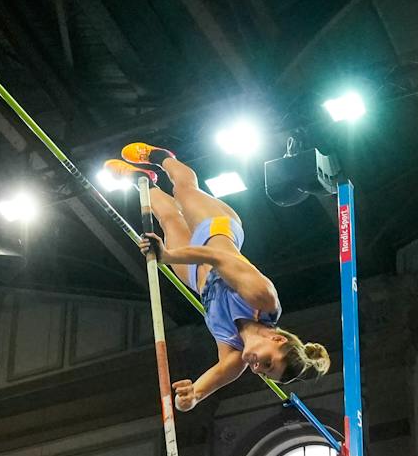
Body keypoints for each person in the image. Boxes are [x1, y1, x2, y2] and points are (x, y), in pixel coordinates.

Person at [117, 144, 329, 409]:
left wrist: (189, 398)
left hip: (198, 278)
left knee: (169, 219)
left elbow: (199, 392)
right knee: (183, 192)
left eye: (263, 372)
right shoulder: (263, 299)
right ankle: (161, 158)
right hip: (217, 233)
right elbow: (217, 258)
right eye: (268, 363)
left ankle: (142, 182)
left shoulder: (233, 356)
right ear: (278, 339)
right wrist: (168, 255)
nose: (257, 367)